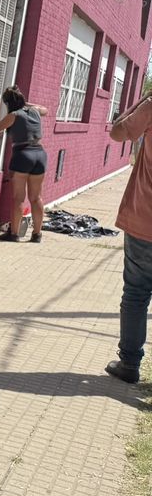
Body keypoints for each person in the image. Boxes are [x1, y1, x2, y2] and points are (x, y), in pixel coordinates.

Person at [104, 92, 152, 384]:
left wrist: (138, 104)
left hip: (144, 220)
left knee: (135, 294)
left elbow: (117, 132)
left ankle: (129, 364)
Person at [0, 86, 49, 243]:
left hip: (23, 155)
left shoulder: (14, 115)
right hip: (40, 155)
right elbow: (46, 110)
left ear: (8, 103)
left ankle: (14, 234)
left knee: (18, 198)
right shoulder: (34, 111)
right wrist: (25, 103)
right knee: (36, 197)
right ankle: (37, 234)